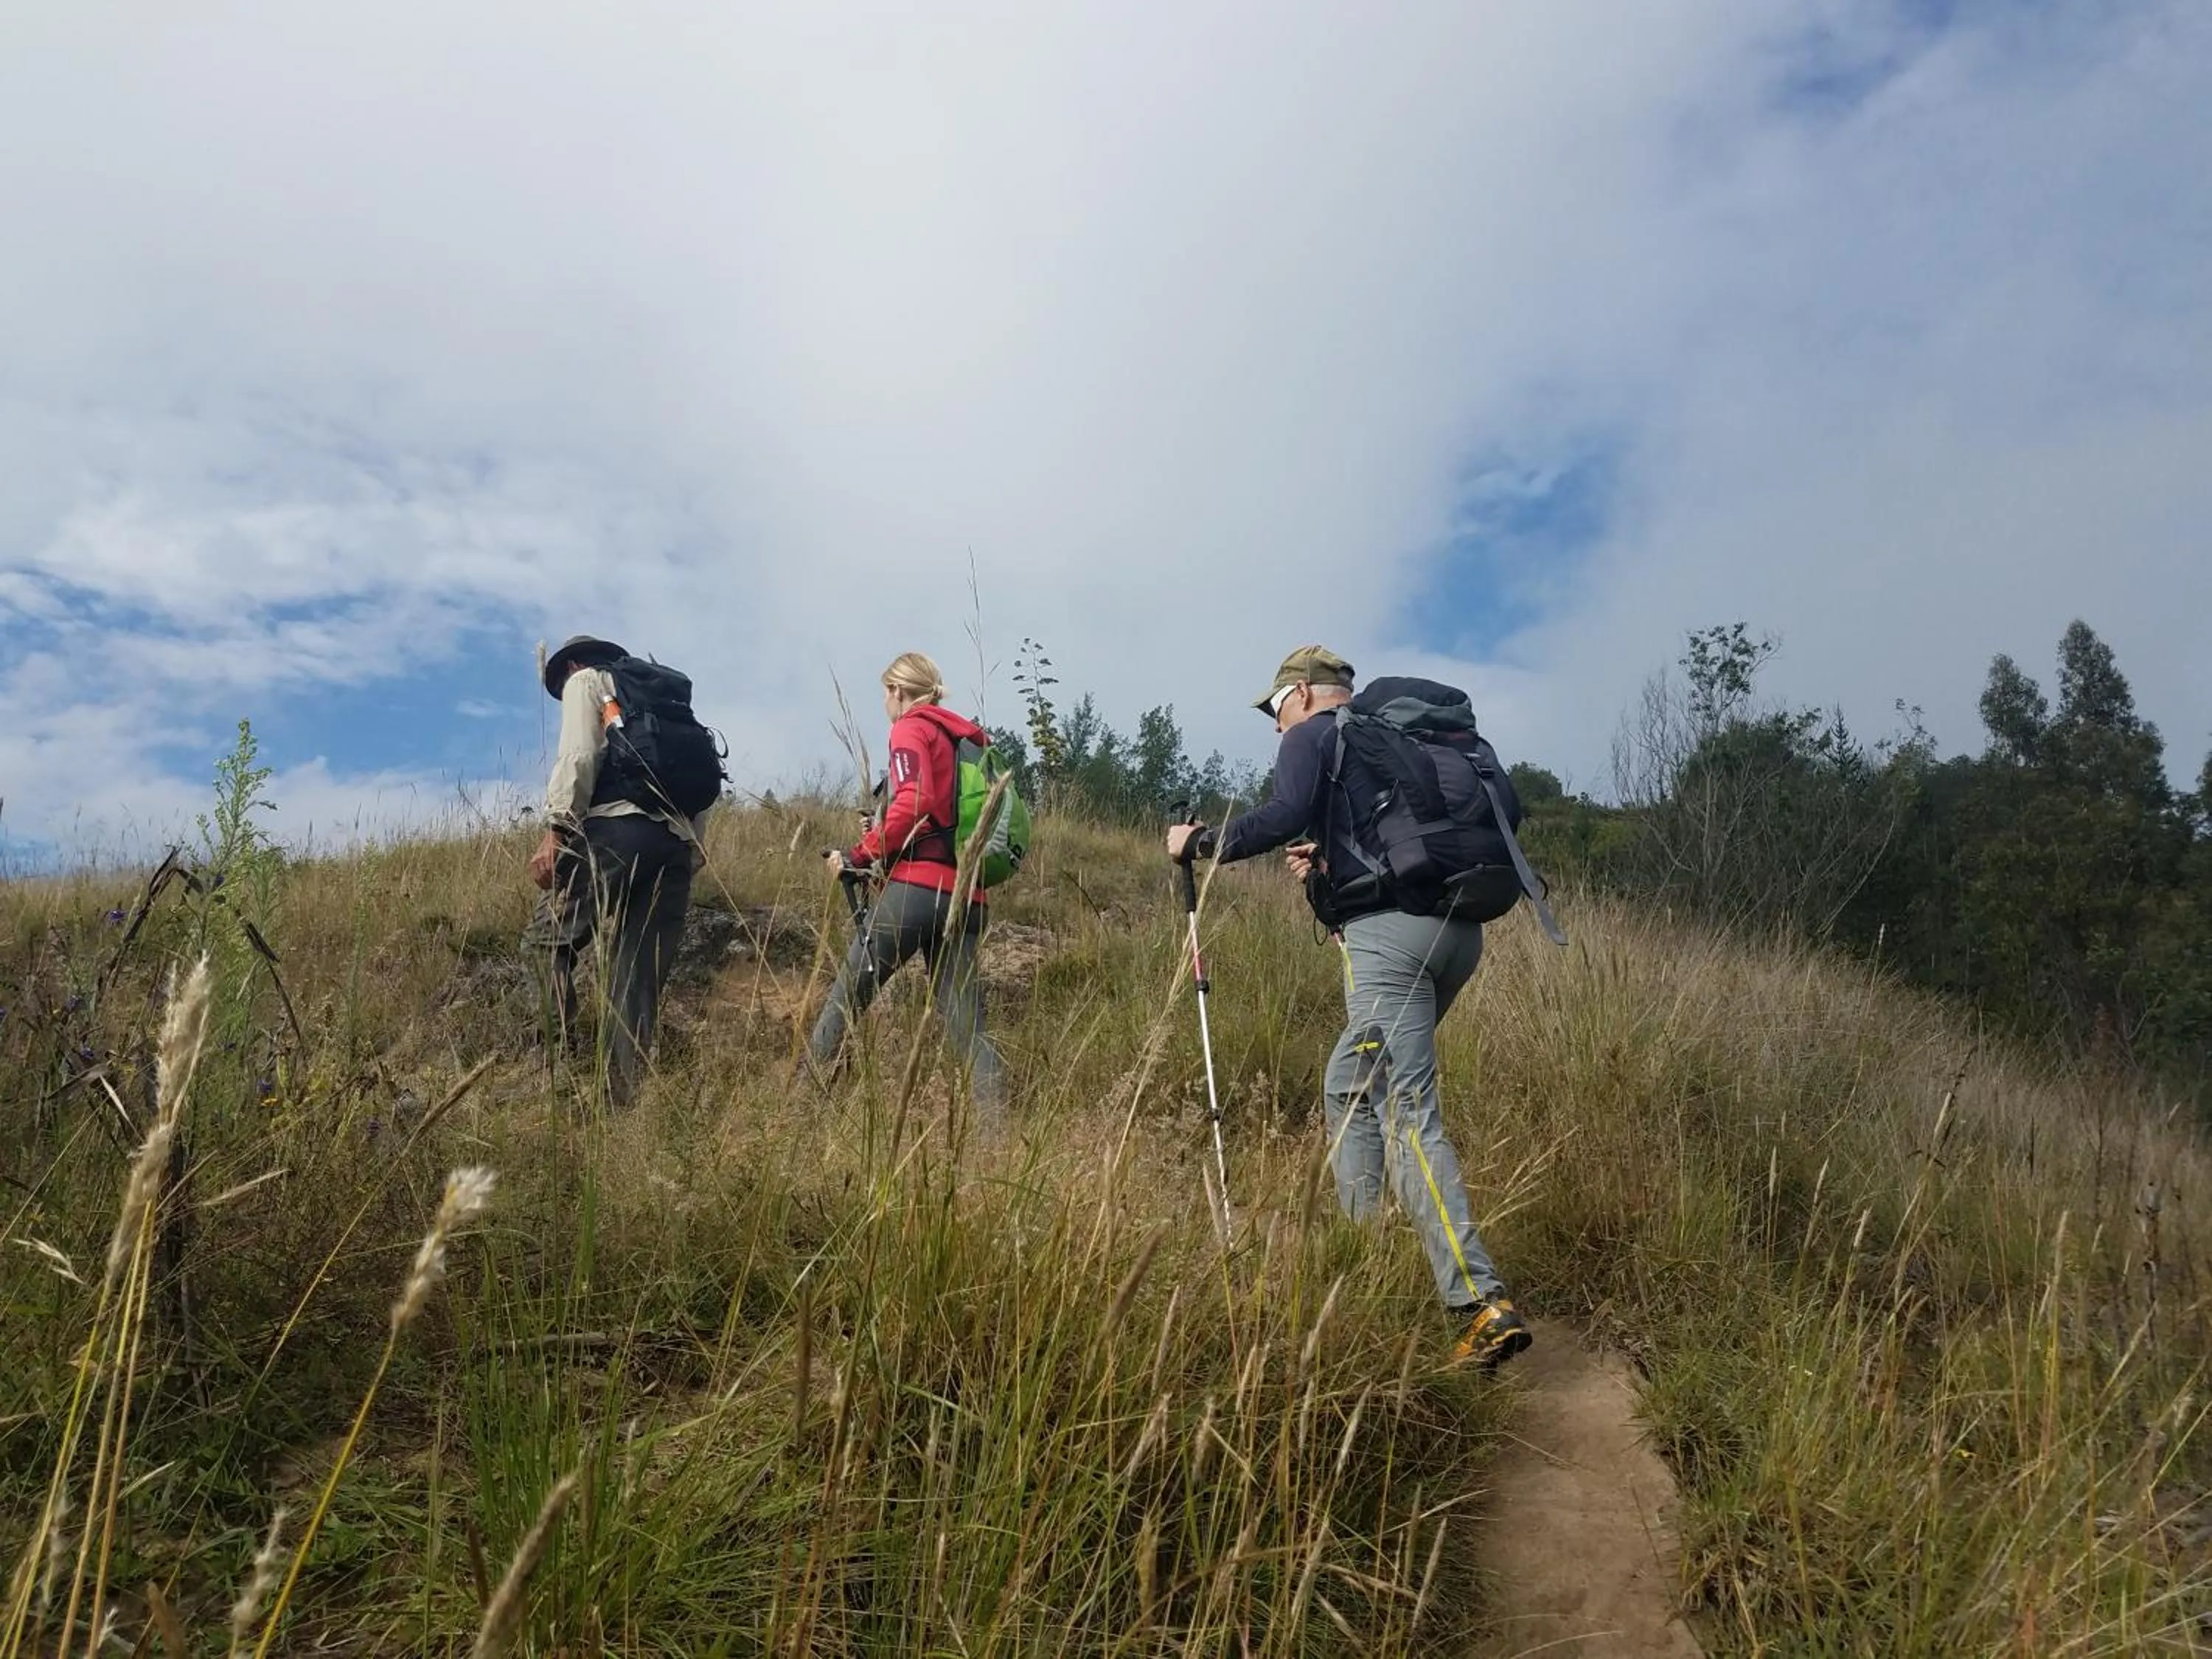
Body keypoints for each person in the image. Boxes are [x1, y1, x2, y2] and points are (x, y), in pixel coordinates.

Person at [1164, 645, 1532, 1369]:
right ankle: (1362, 1255)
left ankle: (1478, 1302)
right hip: (1457, 938)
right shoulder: (1391, 749)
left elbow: (1278, 814)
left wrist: (1199, 842)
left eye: (1275, 710)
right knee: (1351, 1085)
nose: (1276, 728)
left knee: (1407, 1111)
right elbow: (1369, 865)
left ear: (1301, 693)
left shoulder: (1315, 735)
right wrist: (1323, 871)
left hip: (1393, 951)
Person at [807, 652, 1006, 1122]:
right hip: (968, 894)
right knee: (969, 1029)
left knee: (844, 999)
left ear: (898, 691)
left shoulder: (910, 727)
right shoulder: (967, 740)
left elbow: (916, 798)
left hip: (916, 892)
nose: (884, 702)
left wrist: (861, 855)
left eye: (885, 692)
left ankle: (799, 1114)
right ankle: (995, 1136)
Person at [524, 634, 707, 1110]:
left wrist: (557, 831)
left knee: (546, 943)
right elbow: (698, 785)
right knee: (637, 975)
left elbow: (580, 757)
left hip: (614, 832)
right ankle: (622, 1103)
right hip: (676, 848)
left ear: (571, 666)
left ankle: (555, 1074)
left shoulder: (585, 681)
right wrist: (692, 850)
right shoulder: (664, 702)